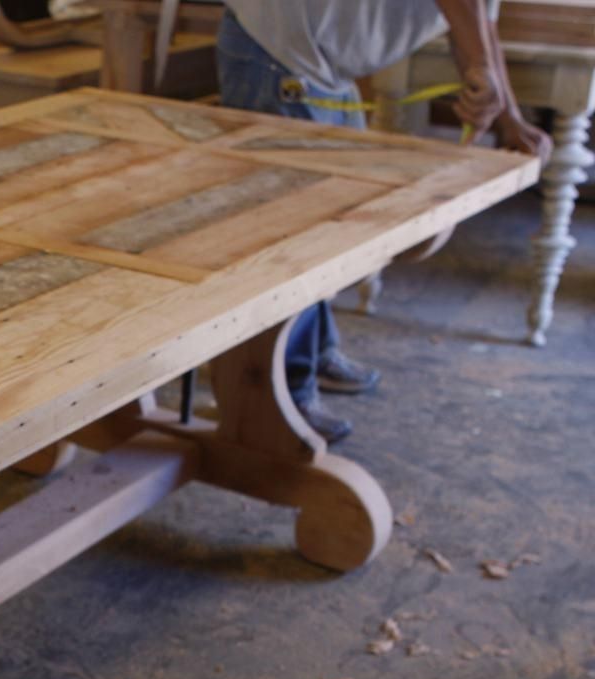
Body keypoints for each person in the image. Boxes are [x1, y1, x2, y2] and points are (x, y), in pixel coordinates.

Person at [217, 0, 551, 443]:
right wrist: (485, 77)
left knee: (329, 229)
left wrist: (509, 118)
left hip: (325, 60)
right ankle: (280, 393)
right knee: (290, 241)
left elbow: (479, 21)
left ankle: (314, 351)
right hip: (277, 46)